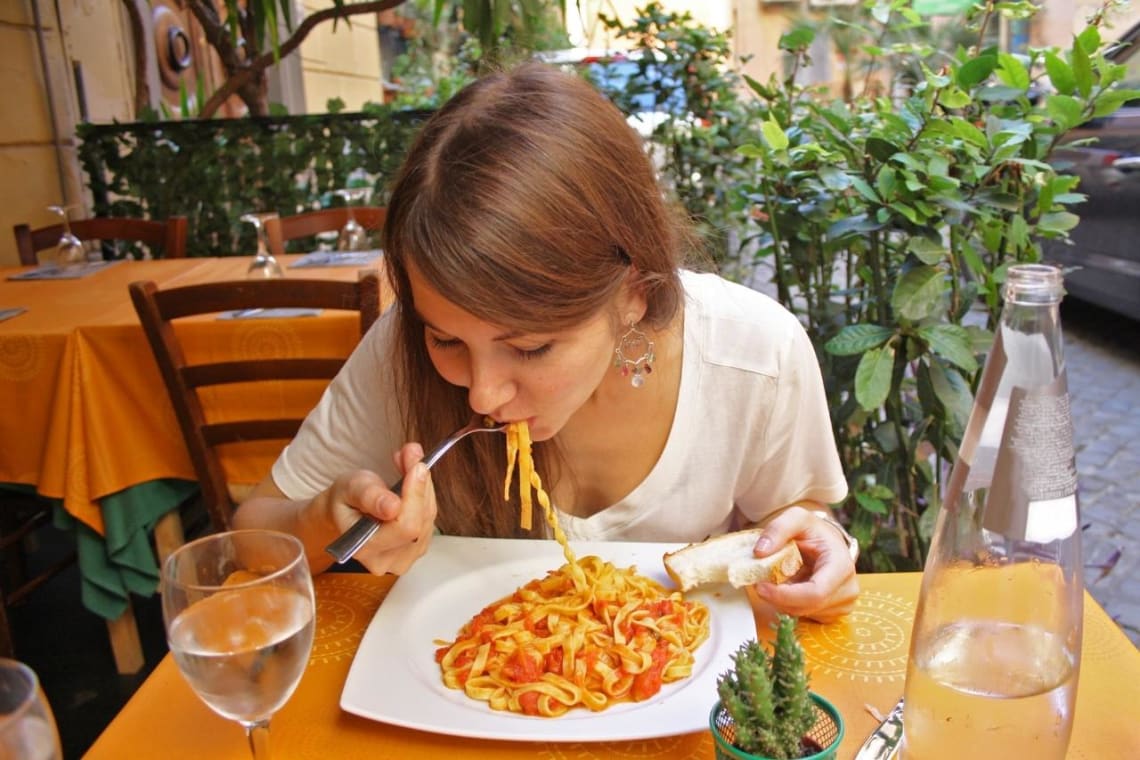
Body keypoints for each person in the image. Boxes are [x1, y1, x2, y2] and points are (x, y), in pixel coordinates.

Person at [234, 62, 859, 622]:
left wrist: (818, 545)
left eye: (530, 348)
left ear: (633, 293)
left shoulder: (755, 355)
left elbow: (796, 519)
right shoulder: (398, 352)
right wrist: (322, 521)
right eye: (447, 341)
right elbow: (252, 535)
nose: (482, 395)